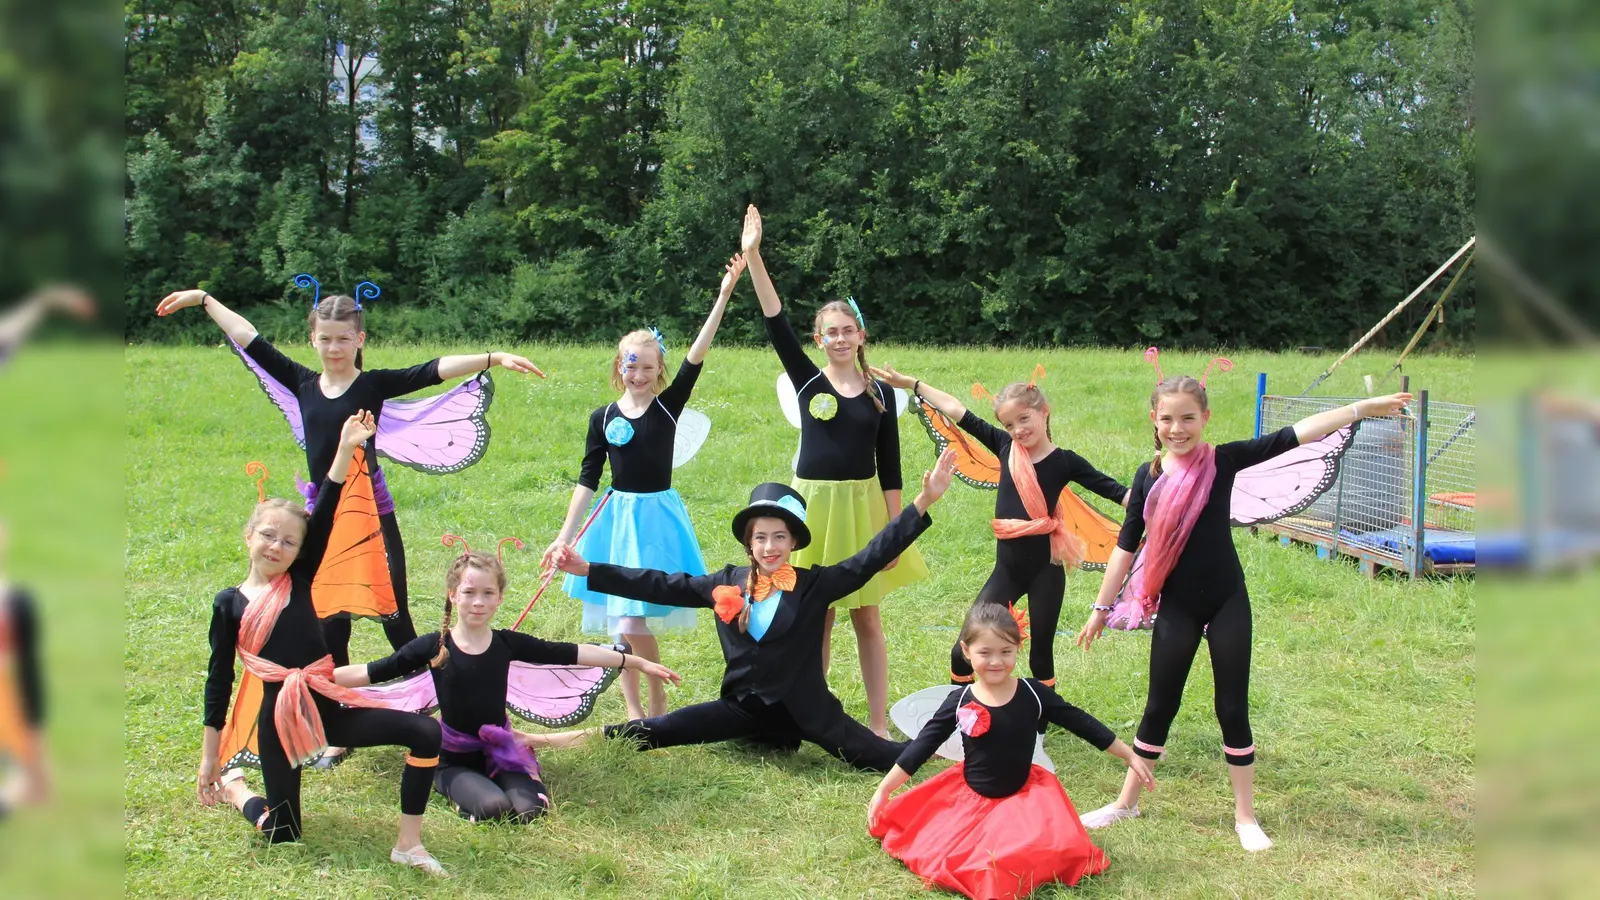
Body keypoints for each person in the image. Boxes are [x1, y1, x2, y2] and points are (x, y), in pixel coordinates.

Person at [158, 286, 540, 765]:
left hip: (370, 518)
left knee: (397, 621)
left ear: (360, 339)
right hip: (322, 518)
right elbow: (250, 339)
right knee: (327, 622)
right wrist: (205, 300)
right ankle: (338, 726)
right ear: (312, 339)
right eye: (325, 339)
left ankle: (449, 714)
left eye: (343, 339)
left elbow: (430, 369)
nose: (334, 348)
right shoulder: (301, 382)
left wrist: (494, 357)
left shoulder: (372, 386)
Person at [1076, 358, 1411, 852]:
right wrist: (1100, 610)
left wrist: (1360, 408)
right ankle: (1126, 802)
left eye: (1188, 417)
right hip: (1178, 606)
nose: (1177, 428)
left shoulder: (1225, 460)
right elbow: (1126, 547)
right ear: (1154, 419)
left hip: (1227, 601)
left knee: (1231, 706)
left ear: (1206, 418)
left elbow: (1294, 434)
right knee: (1158, 705)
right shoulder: (1146, 478)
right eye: (1167, 418)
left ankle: (1245, 817)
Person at [532, 449, 960, 771]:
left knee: (885, 758)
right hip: (742, 709)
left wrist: (923, 501)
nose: (770, 547)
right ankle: (546, 741)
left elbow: (870, 556)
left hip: (809, 712)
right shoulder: (727, 583)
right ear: (748, 543)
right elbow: (660, 583)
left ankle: (964, 720)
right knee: (660, 731)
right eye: (761, 538)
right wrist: (588, 568)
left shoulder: (816, 585)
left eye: (779, 537)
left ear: (793, 542)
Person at [196, 411, 448, 875]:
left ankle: (408, 841)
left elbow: (327, 509)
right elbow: (219, 682)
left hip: (326, 711)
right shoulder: (228, 604)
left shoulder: (300, 580)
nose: (276, 547)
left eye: (289, 542)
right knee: (284, 833)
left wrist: (347, 447)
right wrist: (211, 759)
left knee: (425, 731)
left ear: (300, 552)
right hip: (278, 722)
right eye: (268, 535)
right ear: (248, 536)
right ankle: (238, 789)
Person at [741, 204, 925, 737]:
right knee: (813, 615)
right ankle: (812, 716)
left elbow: (890, 467)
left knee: (867, 616)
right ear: (819, 340)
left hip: (863, 507)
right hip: (813, 508)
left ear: (861, 335)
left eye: (848, 330)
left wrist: (894, 531)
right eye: (830, 333)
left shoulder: (881, 393)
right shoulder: (806, 382)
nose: (840, 338)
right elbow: (775, 321)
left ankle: (875, 722)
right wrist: (754, 255)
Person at [334, 549, 681, 822]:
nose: (479, 602)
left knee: (531, 812)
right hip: (452, 758)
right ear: (454, 596)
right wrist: (313, 676)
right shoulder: (433, 646)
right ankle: (451, 787)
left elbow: (569, 653)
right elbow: (373, 671)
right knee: (493, 810)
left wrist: (635, 661)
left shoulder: (506, 643)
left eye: (488, 593)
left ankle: (504, 784)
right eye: (469, 592)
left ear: (500, 597)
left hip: (502, 747)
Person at [544, 253, 746, 719]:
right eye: (630, 367)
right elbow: (588, 477)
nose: (638, 376)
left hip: (654, 520)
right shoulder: (603, 417)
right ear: (620, 367)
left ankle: (656, 699)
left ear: (660, 372)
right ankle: (636, 709)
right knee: (619, 622)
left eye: (647, 369)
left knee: (633, 617)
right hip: (616, 520)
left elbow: (699, 353)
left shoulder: (669, 407)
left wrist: (722, 295)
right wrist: (565, 535)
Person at [868, 604, 1153, 899]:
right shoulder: (961, 699)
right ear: (966, 651)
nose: (996, 662)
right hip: (971, 799)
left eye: (1005, 652)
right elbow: (922, 746)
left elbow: (1081, 722)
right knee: (976, 864)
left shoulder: (1033, 694)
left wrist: (1128, 755)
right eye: (985, 653)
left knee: (1043, 855)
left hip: (1024, 799)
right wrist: (885, 789)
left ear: (1018, 648)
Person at [871, 366, 1127, 686]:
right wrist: (912, 384)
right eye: (1009, 424)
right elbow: (955, 409)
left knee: (1041, 657)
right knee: (962, 651)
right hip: (1006, 571)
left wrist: (1166, 493)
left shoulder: (1065, 461)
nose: (1018, 430)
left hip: (1046, 572)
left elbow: (1119, 493)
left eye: (1024, 419)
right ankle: (964, 716)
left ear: (1043, 412)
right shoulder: (1006, 447)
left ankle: (1038, 729)